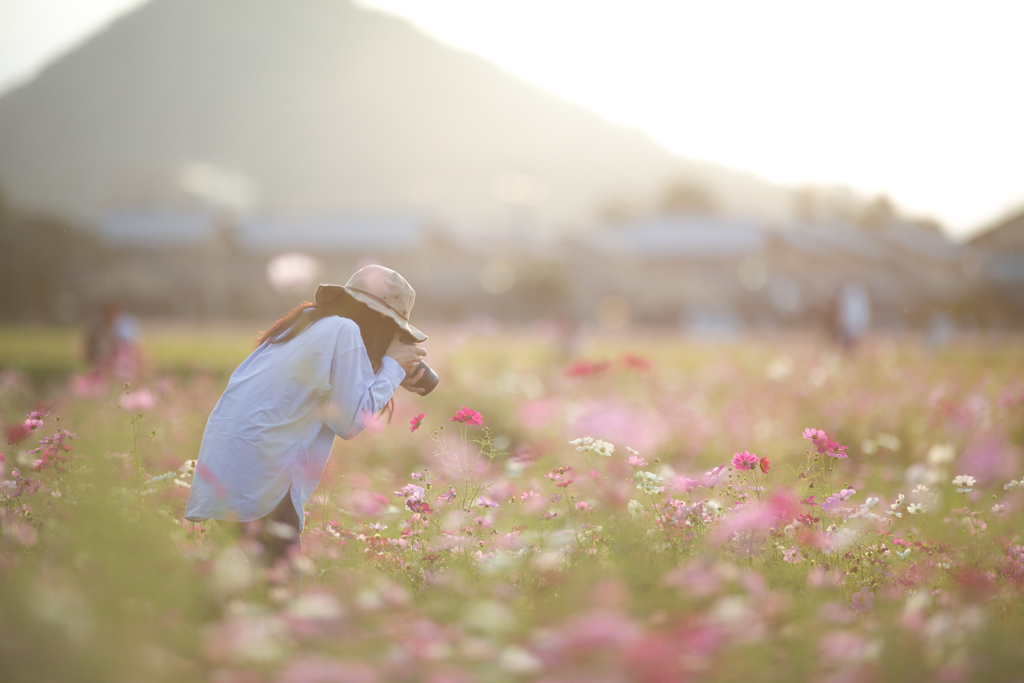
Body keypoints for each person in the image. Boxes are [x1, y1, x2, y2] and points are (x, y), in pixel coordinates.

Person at [184, 265, 429, 565]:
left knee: (245, 587)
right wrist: (392, 366)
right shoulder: (345, 330)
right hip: (263, 481)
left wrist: (386, 370)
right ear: (381, 319)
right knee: (281, 594)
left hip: (229, 472)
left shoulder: (305, 324)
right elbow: (349, 422)